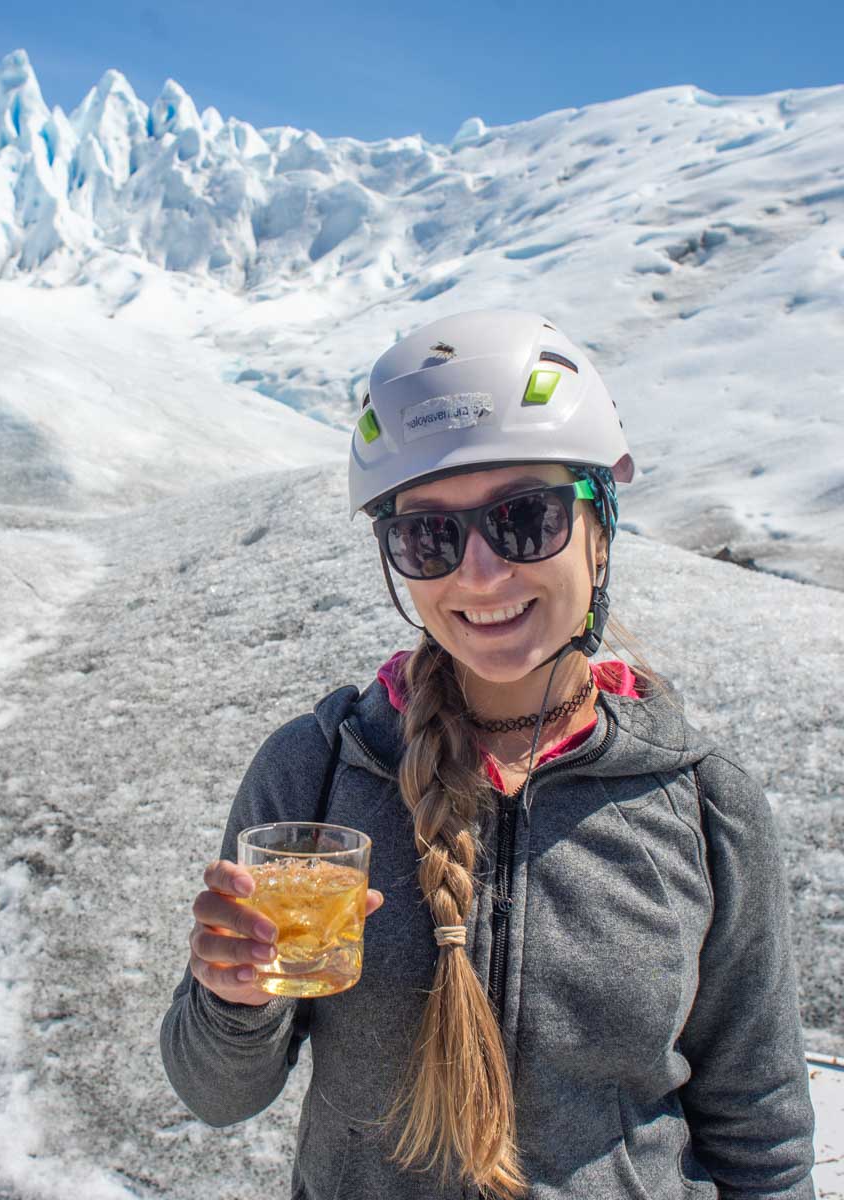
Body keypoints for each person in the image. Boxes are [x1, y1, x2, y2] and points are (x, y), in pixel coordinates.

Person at [160, 310, 816, 1199]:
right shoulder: (315, 773)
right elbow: (218, 1096)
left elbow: (758, 1122)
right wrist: (234, 1000)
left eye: (526, 518)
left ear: (601, 527)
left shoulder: (702, 804)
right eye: (429, 536)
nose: (479, 575)